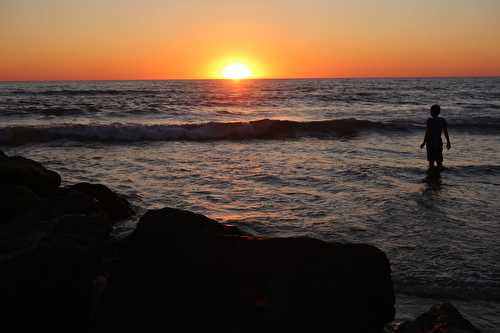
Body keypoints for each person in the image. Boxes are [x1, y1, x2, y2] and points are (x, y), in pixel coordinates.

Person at [420, 104, 451, 169]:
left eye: (434, 112)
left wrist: (448, 142)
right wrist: (424, 142)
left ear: (438, 112)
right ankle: (433, 175)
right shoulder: (430, 120)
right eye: (432, 111)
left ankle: (436, 175)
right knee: (432, 161)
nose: (433, 113)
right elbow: (427, 132)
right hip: (430, 143)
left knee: (438, 161)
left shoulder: (441, 120)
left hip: (437, 143)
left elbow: (445, 132)